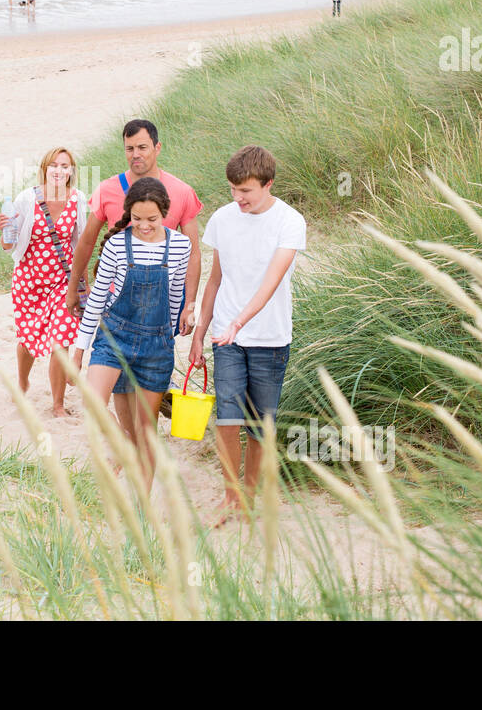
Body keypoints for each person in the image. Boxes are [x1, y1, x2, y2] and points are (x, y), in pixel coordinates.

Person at [190, 146, 306, 526]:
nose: (238, 198)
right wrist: (200, 333)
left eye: (246, 192)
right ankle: (229, 496)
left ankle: (249, 497)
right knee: (227, 417)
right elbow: (215, 279)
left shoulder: (290, 221)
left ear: (268, 184)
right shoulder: (223, 219)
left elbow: (272, 282)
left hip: (270, 337)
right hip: (227, 336)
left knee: (259, 424)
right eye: (233, 190)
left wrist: (242, 320)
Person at [71, 178, 191, 489]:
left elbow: (176, 295)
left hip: (156, 345)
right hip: (115, 336)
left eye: (151, 219)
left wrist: (173, 333)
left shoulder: (180, 246)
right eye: (136, 219)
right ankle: (122, 446)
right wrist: (80, 349)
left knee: (146, 433)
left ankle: (142, 510)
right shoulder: (116, 244)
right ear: (129, 213)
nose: (143, 226)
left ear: (164, 212)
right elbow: (97, 297)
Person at [65, 118, 202, 337]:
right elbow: (87, 242)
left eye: (142, 147)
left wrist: (190, 304)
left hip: (162, 305)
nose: (135, 154)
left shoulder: (182, 192)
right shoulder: (106, 189)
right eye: (129, 148)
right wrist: (74, 289)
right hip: (115, 301)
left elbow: (193, 254)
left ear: (157, 148)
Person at [0, 147, 89, 416]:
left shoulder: (78, 199)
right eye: (54, 165)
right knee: (27, 338)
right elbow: (8, 244)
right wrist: (5, 227)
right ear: (45, 169)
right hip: (29, 280)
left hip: (63, 280)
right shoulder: (26, 199)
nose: (59, 171)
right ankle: (23, 381)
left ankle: (58, 404)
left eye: (65, 166)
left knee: (60, 340)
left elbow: (82, 242)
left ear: (71, 171)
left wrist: (84, 284)